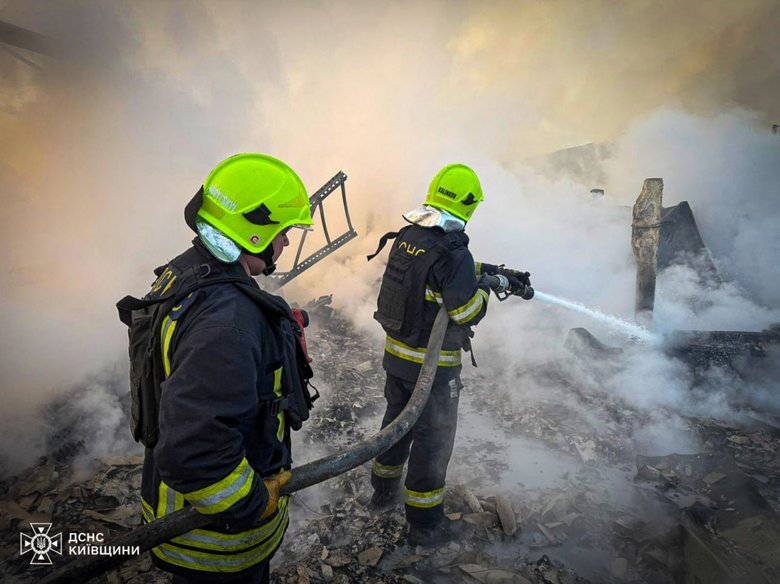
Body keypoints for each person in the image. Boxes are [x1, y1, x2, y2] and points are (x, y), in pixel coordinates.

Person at [128, 153, 315, 583]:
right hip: (218, 541)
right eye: (283, 233)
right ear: (255, 233)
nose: (286, 243)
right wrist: (253, 503)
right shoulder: (230, 323)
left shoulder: (187, 271)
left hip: (197, 522)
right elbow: (194, 448)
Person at [367, 163, 531, 546]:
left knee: (395, 424)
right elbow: (466, 311)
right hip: (434, 369)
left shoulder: (410, 233)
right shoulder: (454, 251)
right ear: (470, 204)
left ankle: (383, 494)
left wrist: (485, 269)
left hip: (396, 357)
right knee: (433, 439)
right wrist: (489, 287)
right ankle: (425, 525)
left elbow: (431, 269)